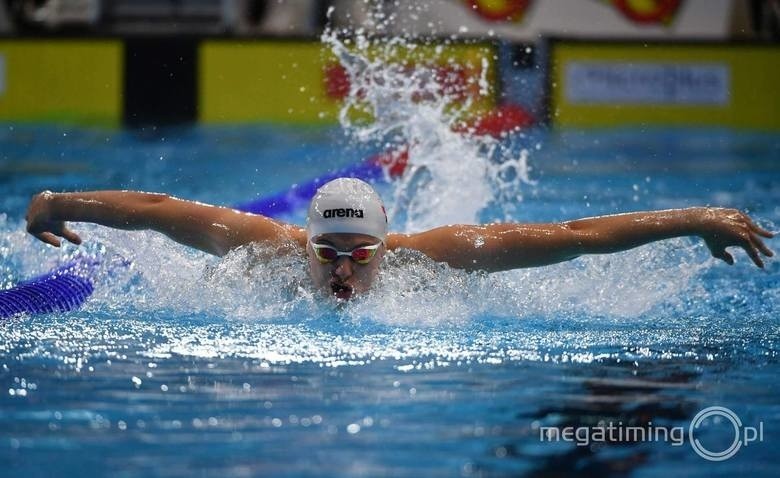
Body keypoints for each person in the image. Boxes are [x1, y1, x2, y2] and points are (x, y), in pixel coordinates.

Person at [24, 178, 774, 301]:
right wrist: (59, 200)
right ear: (305, 242)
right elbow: (156, 208)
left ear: (389, 245)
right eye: (329, 253)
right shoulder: (264, 245)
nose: (345, 270)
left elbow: (573, 236)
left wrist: (695, 217)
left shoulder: (436, 256)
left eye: (361, 253)